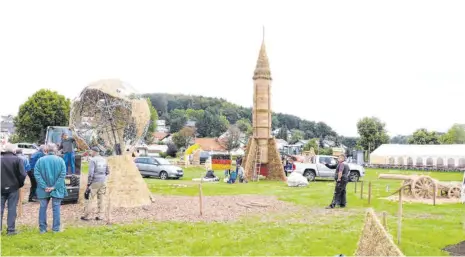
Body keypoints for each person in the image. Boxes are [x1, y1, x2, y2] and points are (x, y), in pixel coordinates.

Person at [34, 143, 67, 233]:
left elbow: (37, 175)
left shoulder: (40, 160)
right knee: (56, 208)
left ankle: (42, 229)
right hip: (57, 189)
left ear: (46, 150)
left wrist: (44, 186)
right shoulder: (60, 160)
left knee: (43, 208)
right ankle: (56, 229)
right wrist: (54, 187)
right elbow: (63, 175)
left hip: (43, 189)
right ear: (55, 150)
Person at [1, 144, 27, 235]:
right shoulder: (17, 159)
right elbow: (23, 174)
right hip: (13, 187)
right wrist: (19, 184)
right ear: (13, 150)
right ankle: (11, 230)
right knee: (12, 208)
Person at [81, 147, 109, 221]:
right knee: (101, 199)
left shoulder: (93, 160)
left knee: (89, 199)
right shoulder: (104, 159)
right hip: (103, 181)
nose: (90, 153)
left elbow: (91, 173)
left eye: (91, 152)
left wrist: (88, 184)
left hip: (94, 182)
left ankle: (87, 216)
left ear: (94, 152)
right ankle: (101, 216)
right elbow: (107, 171)